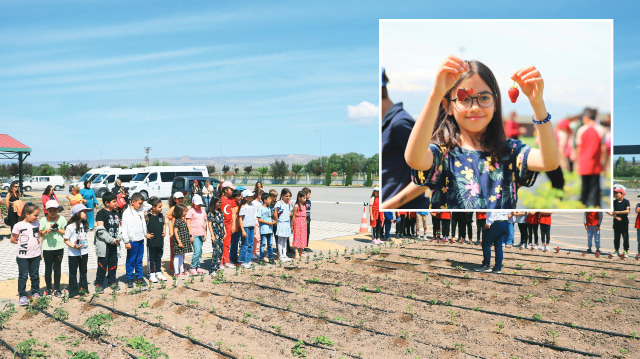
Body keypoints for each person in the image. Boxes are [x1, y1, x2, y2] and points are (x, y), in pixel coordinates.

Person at [405, 56, 559, 209]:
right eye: (464, 99)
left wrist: (537, 102)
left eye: (484, 97)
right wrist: (436, 94)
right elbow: (414, 158)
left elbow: (549, 162)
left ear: (495, 104)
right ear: (448, 106)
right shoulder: (441, 154)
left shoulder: (510, 152)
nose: (475, 107)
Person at [380, 68, 430, 209]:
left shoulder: (400, 123)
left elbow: (429, 173)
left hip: (406, 210)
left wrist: (389, 205)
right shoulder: (387, 123)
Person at [575, 108, 607, 208]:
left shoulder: (581, 129)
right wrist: (604, 163)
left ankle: (583, 203)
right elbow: (604, 149)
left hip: (584, 162)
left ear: (586, 117)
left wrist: (577, 163)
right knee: (595, 185)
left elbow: (578, 148)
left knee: (584, 185)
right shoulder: (601, 129)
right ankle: (596, 204)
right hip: (596, 163)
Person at [11, 203, 41, 306]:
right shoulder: (18, 225)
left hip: (35, 255)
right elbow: (13, 239)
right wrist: (23, 243)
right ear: (27, 214)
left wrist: (40, 251)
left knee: (35, 275)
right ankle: (22, 295)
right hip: (23, 256)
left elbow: (39, 237)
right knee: (23, 276)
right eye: (35, 215)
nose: (37, 217)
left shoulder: (37, 224)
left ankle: (35, 292)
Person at [121, 193, 152, 288]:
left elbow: (149, 205)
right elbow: (124, 228)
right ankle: (129, 278)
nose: (141, 205)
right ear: (133, 202)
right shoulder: (126, 213)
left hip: (140, 239)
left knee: (139, 259)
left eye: (142, 203)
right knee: (131, 260)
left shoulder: (141, 209)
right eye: (139, 203)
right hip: (132, 240)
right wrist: (126, 241)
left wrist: (142, 202)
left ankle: (139, 277)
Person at [95, 192, 122, 292]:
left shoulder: (116, 213)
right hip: (104, 244)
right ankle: (99, 284)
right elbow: (100, 231)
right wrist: (111, 240)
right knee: (102, 265)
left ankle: (112, 281)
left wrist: (119, 238)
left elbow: (120, 227)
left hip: (115, 244)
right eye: (114, 202)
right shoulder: (101, 213)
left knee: (113, 264)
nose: (116, 203)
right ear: (106, 203)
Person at [39, 200, 67, 297]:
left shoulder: (62, 219)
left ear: (58, 210)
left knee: (57, 268)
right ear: (46, 210)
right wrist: (46, 231)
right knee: (48, 269)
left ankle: (57, 289)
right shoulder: (43, 220)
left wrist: (57, 229)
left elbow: (66, 232)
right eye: (50, 210)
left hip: (59, 247)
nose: (52, 212)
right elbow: (40, 234)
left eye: (54, 210)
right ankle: (48, 289)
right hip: (47, 248)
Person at [64, 204, 91, 298]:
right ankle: (73, 292)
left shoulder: (84, 224)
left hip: (84, 252)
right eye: (84, 212)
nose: (86, 214)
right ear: (77, 214)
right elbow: (66, 239)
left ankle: (83, 289)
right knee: (73, 273)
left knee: (83, 271)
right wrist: (73, 246)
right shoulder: (70, 227)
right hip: (73, 253)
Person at [145, 197, 166, 283]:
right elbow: (144, 226)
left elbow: (164, 224)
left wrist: (164, 231)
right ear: (153, 207)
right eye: (159, 206)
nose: (161, 208)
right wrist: (146, 234)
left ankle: (158, 272)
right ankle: (151, 273)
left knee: (159, 257)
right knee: (152, 258)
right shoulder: (148, 216)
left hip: (160, 241)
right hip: (152, 242)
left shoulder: (161, 216)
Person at [186, 194, 208, 274]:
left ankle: (198, 266)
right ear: (193, 203)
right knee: (197, 250)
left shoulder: (203, 211)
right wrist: (190, 235)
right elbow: (188, 223)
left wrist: (205, 233)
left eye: (200, 204)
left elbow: (205, 223)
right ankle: (193, 267)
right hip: (194, 234)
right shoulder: (191, 211)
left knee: (200, 250)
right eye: (197, 204)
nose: (199, 205)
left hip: (201, 233)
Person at [607, 187, 630, 256]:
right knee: (616, 237)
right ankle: (616, 250)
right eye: (615, 193)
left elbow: (628, 211)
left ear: (622, 194)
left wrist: (618, 212)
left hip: (624, 223)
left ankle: (625, 251)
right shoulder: (613, 202)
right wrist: (615, 216)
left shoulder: (626, 201)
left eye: (617, 193)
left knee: (625, 237)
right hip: (616, 222)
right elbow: (606, 210)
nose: (615, 194)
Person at [173, 204, 194, 278]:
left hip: (183, 241)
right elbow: (175, 232)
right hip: (179, 242)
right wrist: (179, 242)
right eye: (184, 211)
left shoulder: (182, 220)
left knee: (181, 256)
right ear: (179, 212)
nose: (185, 213)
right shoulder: (177, 221)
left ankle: (181, 270)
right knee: (177, 257)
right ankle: (176, 272)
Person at [238, 190, 258, 268]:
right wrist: (242, 230)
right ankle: (242, 261)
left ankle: (248, 260)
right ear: (246, 198)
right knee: (245, 244)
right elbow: (240, 218)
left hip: (251, 226)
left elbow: (253, 217)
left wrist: (255, 227)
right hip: (246, 227)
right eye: (250, 196)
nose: (252, 197)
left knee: (250, 244)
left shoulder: (253, 206)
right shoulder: (243, 207)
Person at [166, 192, 185, 274]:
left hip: (182, 234)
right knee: (175, 252)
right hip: (175, 234)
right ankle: (173, 267)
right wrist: (171, 233)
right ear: (174, 200)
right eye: (178, 198)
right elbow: (170, 221)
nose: (180, 200)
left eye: (182, 198)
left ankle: (182, 267)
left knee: (182, 252)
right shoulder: (173, 209)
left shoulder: (182, 208)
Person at [220, 181, 237, 268]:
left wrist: (233, 225)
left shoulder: (231, 200)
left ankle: (226, 260)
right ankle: (220, 261)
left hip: (229, 225)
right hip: (221, 226)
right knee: (220, 244)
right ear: (225, 190)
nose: (232, 191)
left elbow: (233, 213)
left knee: (227, 243)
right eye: (231, 189)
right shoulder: (220, 199)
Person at [207, 197, 226, 274]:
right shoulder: (211, 213)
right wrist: (212, 235)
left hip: (221, 233)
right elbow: (209, 224)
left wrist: (225, 232)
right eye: (218, 202)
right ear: (214, 203)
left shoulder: (220, 212)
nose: (220, 204)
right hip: (215, 233)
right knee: (216, 251)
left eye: (220, 202)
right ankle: (212, 269)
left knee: (221, 251)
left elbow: (222, 222)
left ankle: (217, 267)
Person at [274, 188, 293, 262]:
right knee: (280, 239)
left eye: (289, 196)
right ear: (282, 195)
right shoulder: (279, 203)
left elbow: (290, 212)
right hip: (281, 222)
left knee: (285, 240)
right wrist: (276, 220)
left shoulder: (288, 203)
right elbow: (276, 212)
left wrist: (290, 214)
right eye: (286, 196)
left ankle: (285, 255)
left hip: (287, 222)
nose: (288, 198)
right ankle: (280, 255)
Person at [292, 191, 308, 260]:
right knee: (297, 237)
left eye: (305, 198)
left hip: (303, 223)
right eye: (304, 198)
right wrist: (292, 224)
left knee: (303, 237)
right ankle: (296, 252)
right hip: (298, 222)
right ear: (299, 198)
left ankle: (301, 252)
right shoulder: (296, 206)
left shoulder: (305, 205)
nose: (305, 199)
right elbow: (294, 215)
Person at [302, 187, 313, 253]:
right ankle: (301, 246)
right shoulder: (302, 201)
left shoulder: (309, 201)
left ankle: (306, 245)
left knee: (307, 233)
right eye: (308, 194)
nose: (310, 195)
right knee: (303, 233)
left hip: (308, 219)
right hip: (302, 220)